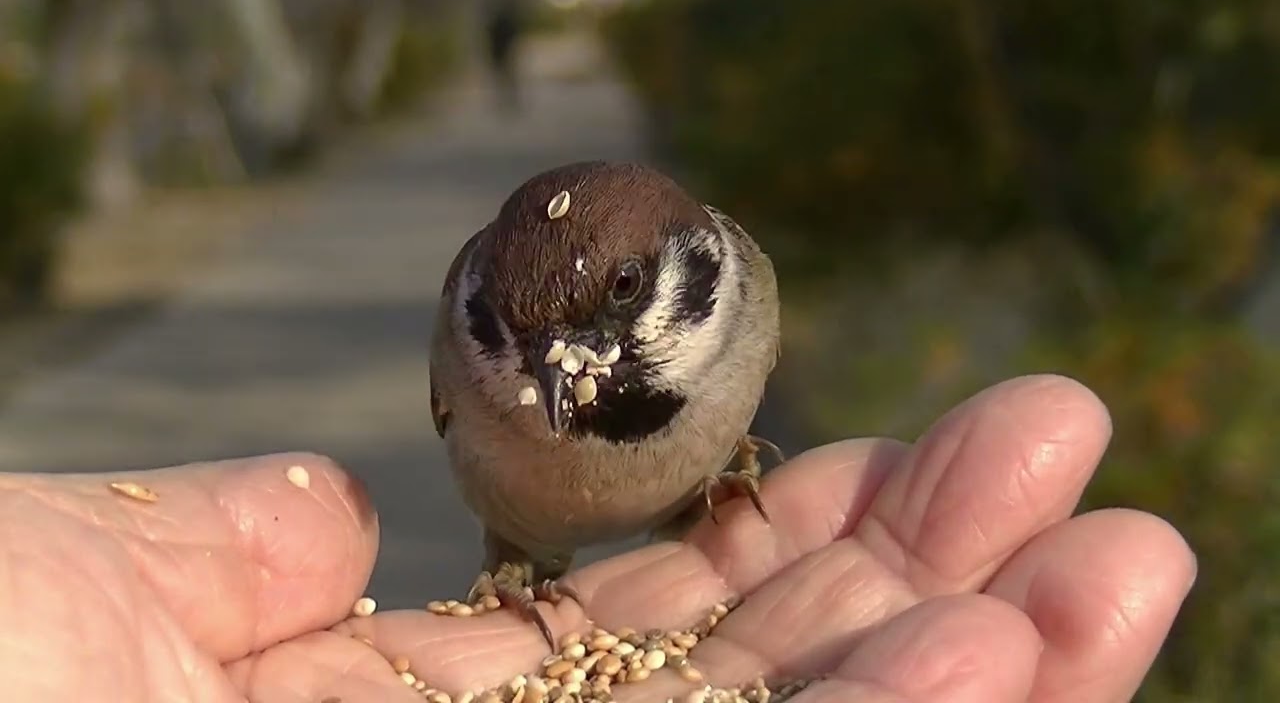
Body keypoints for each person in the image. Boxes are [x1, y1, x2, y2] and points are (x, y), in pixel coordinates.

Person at [0, 374, 1195, 701]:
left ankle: (704, 486)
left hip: (710, 510)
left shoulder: (746, 292)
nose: (552, 382)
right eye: (509, 347)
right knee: (521, 540)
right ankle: (526, 572)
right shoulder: (474, 362)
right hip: (533, 539)